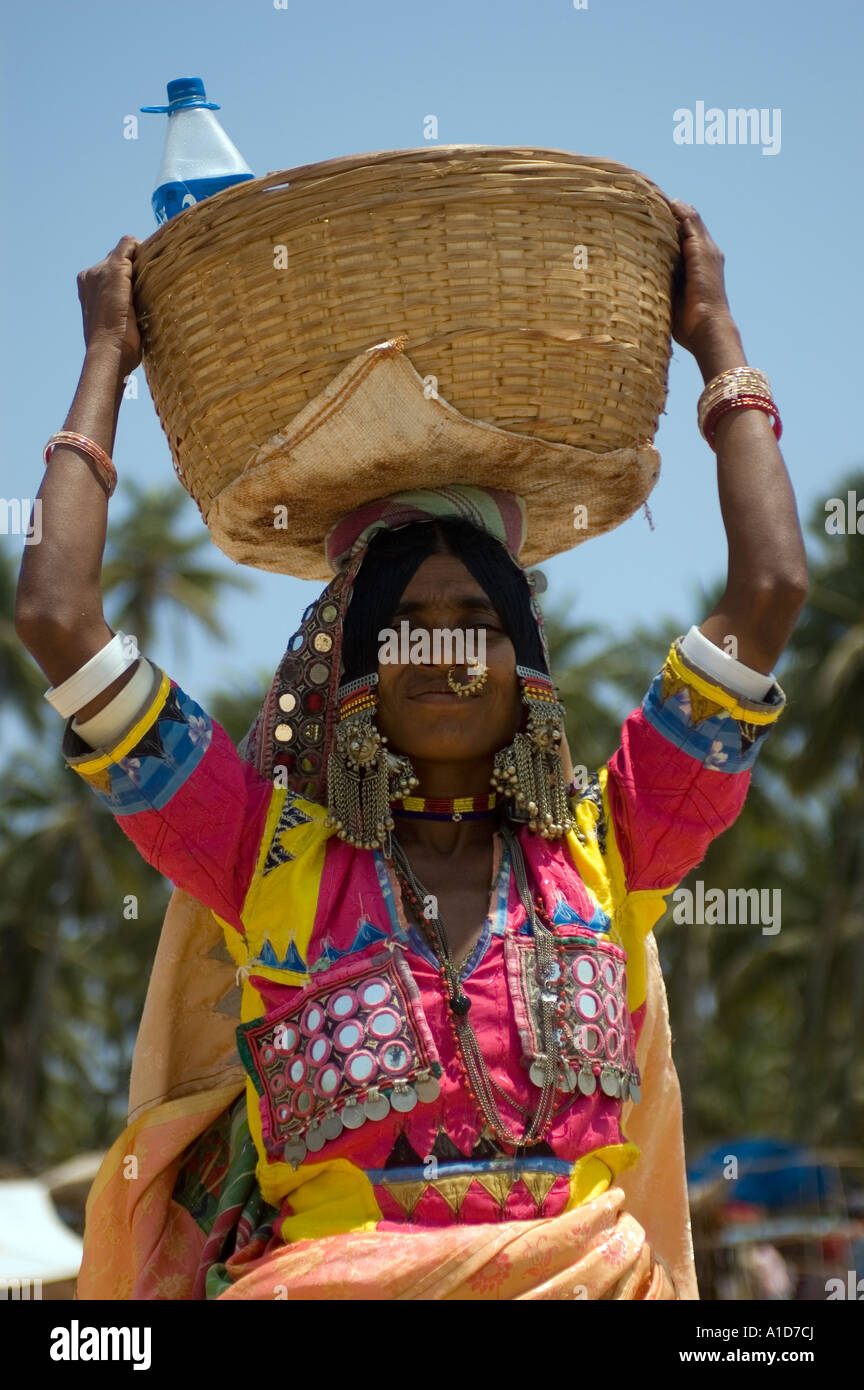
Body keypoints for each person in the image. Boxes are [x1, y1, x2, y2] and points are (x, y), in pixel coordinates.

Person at [15, 202, 808, 1300]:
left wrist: (714, 328)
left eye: (476, 621)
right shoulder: (267, 858)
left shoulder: (609, 846)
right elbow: (58, 618)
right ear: (355, 684)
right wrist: (107, 355)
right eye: (406, 625)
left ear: (526, 669)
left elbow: (770, 591)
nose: (443, 651)